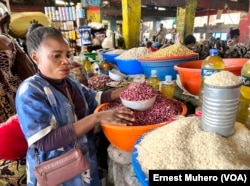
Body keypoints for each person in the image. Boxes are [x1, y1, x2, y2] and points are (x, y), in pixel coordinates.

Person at [15, 26, 135, 186]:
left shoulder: (70, 82)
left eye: (67, 55)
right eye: (56, 55)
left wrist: (128, 90)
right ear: (35, 57)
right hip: (58, 172)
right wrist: (97, 117)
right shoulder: (30, 91)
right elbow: (46, 142)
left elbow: (94, 98)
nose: (66, 61)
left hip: (84, 164)